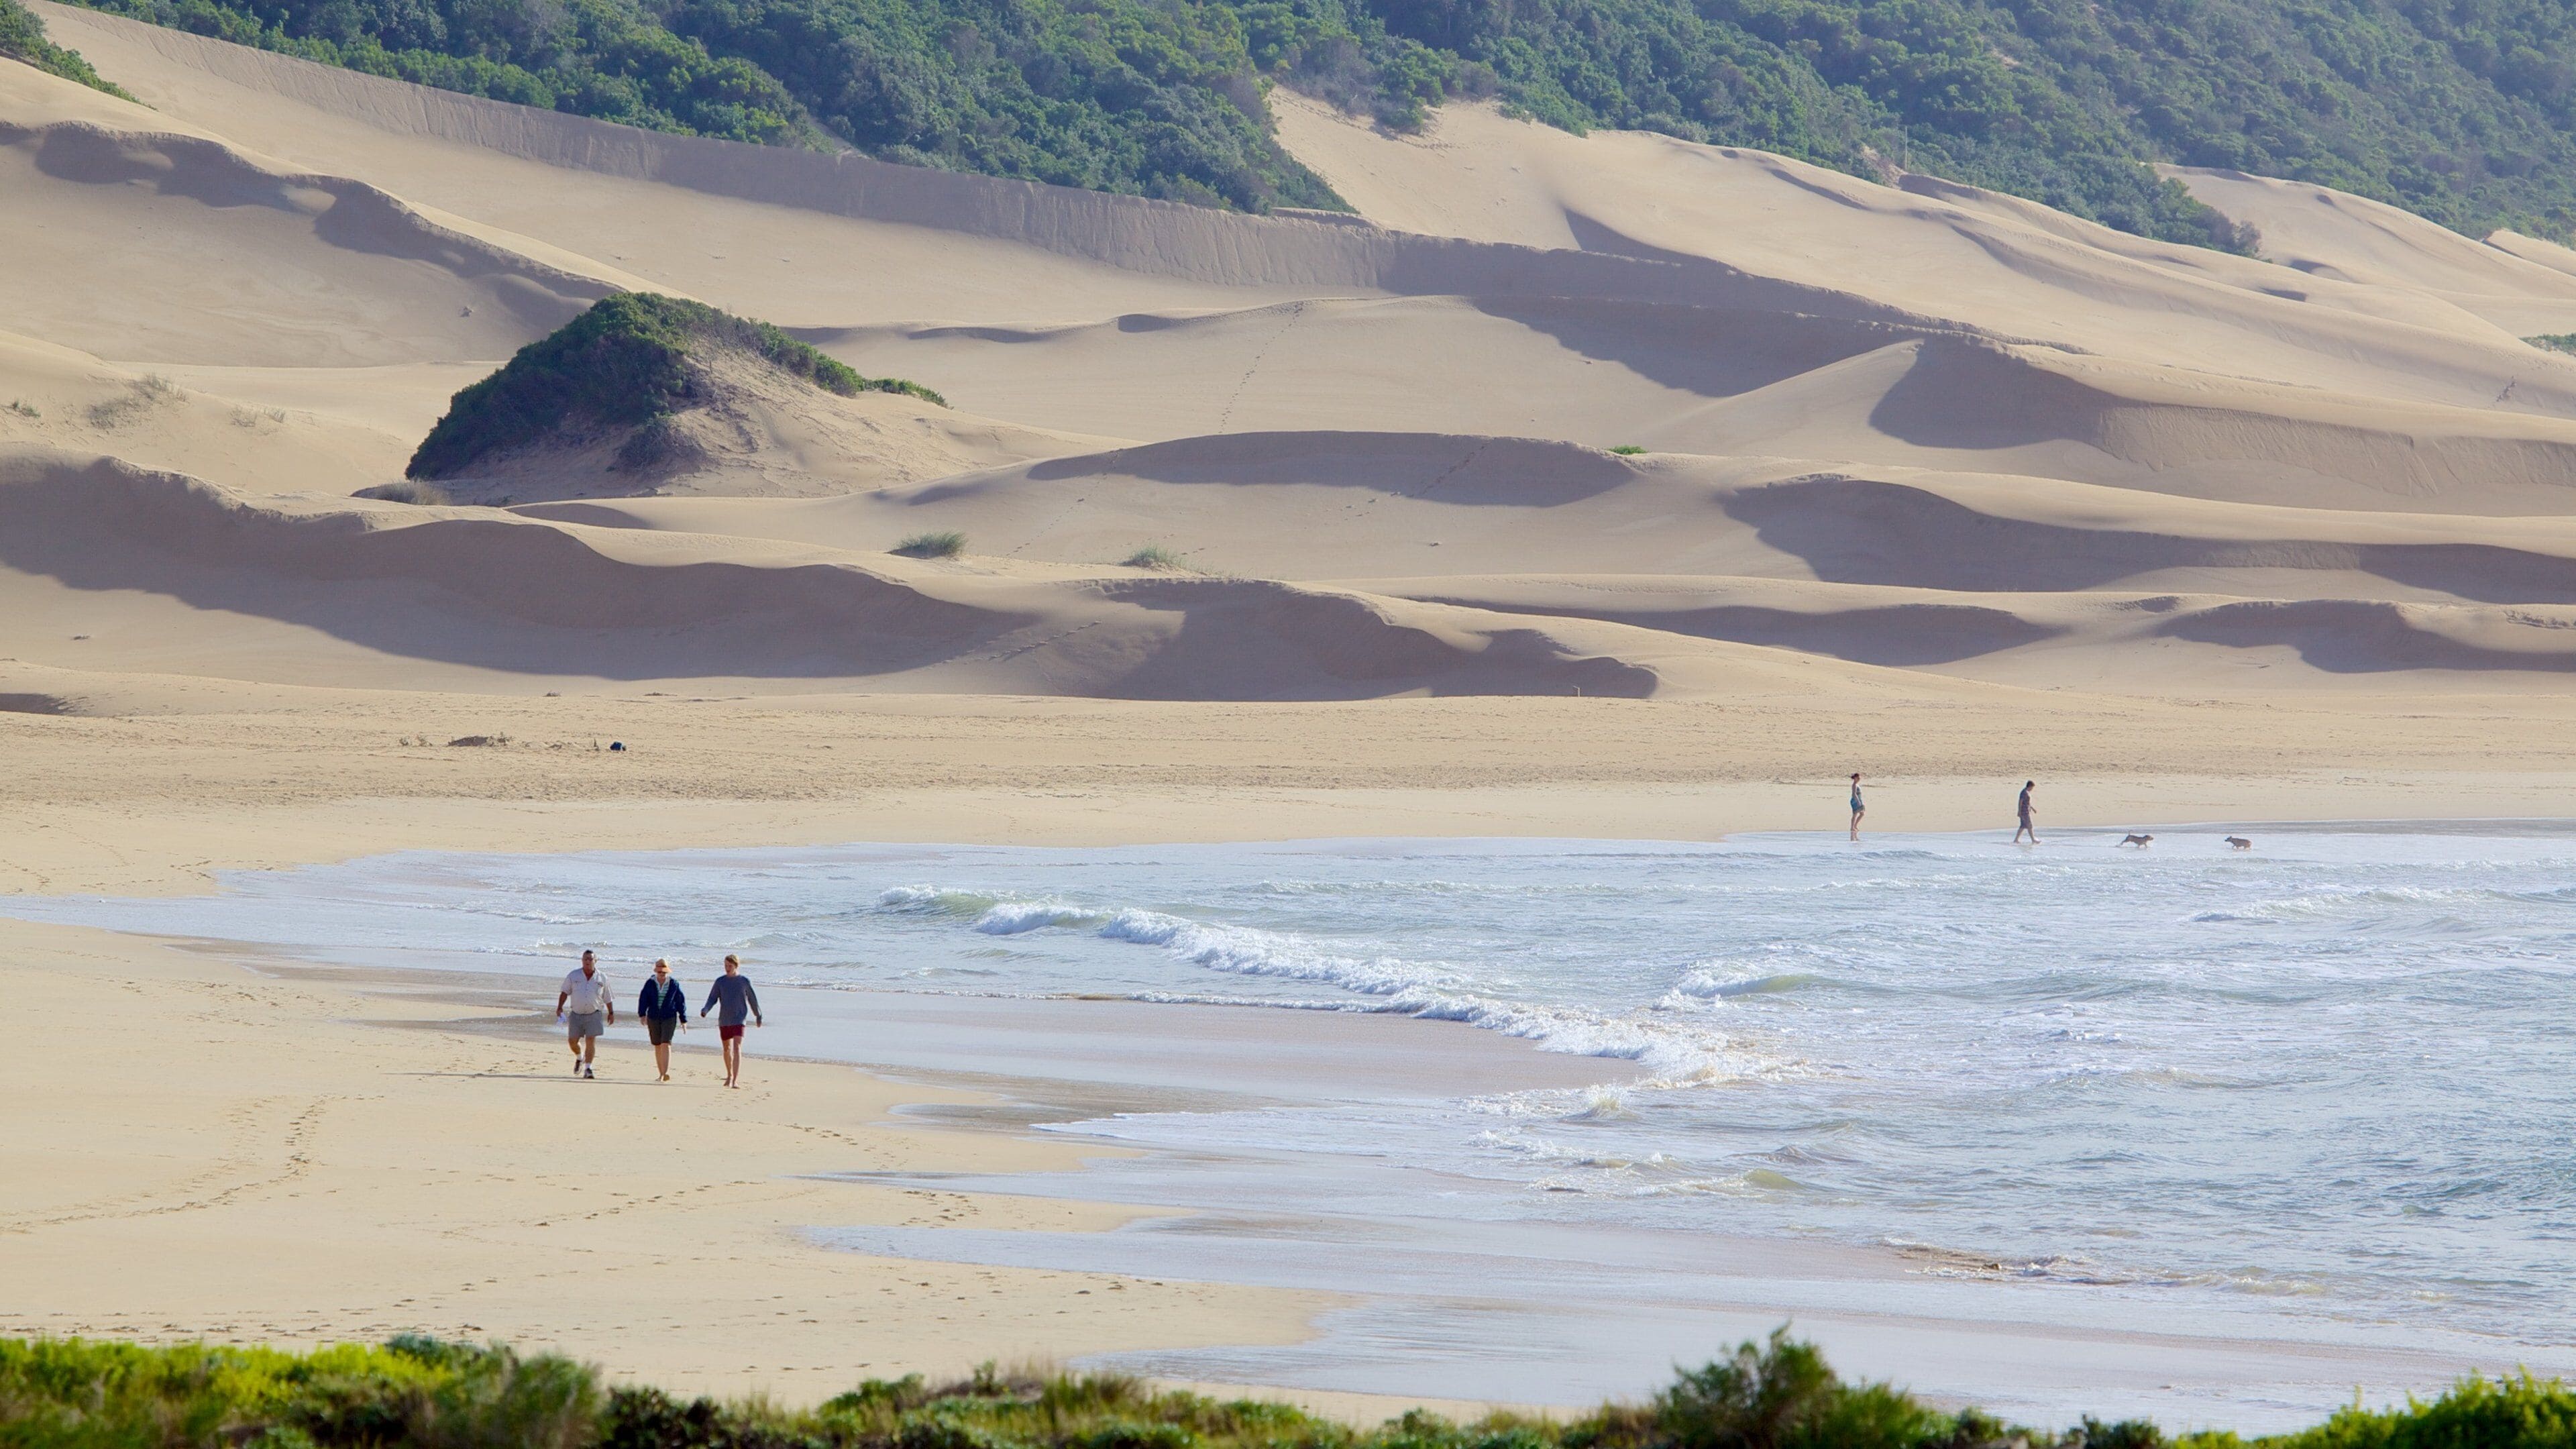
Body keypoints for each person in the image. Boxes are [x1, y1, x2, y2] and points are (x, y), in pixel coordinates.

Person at [700, 954, 763, 1089]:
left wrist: (758, 1015)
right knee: (727, 1049)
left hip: (739, 1019)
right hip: (724, 1019)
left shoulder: (744, 981)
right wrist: (705, 1010)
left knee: (737, 1047)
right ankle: (729, 1075)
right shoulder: (720, 982)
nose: (727, 968)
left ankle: (735, 1079)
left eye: (730, 966)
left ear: (736, 966)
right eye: (725, 966)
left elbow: (752, 1000)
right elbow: (712, 998)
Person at [556, 949, 613, 1079]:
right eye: (585, 959)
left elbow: (608, 997)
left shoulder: (602, 977)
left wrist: (611, 1013)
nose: (587, 961)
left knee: (591, 1040)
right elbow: (565, 992)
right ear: (582, 961)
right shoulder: (573, 976)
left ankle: (588, 1069)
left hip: (594, 1013)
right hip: (576, 1014)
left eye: (590, 959)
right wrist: (559, 1008)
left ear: (595, 961)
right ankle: (579, 1057)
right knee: (572, 1041)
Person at [638, 958, 688, 1082]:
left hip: (669, 1017)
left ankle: (664, 1074)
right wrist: (642, 1014)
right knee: (657, 1045)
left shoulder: (674, 984)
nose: (662, 975)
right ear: (656, 971)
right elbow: (643, 999)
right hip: (653, 1017)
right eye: (660, 972)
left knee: (666, 1043)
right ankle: (660, 1073)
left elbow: (680, 1002)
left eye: (664, 972)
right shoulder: (650, 983)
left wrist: (683, 1019)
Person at [2014, 780, 2038, 845]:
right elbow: (2020, 802)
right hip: (2024, 812)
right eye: (2032, 788)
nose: (2032, 789)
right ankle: (2033, 840)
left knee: (2023, 826)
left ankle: (2016, 840)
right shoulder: (2024, 792)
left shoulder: (2027, 792)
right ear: (2030, 786)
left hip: (2027, 811)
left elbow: (2028, 803)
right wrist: (2019, 811)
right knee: (2029, 825)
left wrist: (2033, 809)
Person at [1848, 773, 1865, 841]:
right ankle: (1852, 827)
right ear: (1855, 778)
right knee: (1855, 814)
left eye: (1859, 778)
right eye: (1858, 778)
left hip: (1859, 800)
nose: (1859, 779)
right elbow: (1854, 794)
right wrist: (1858, 801)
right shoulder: (1854, 785)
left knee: (1862, 813)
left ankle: (1855, 826)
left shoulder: (1857, 785)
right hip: (1855, 801)